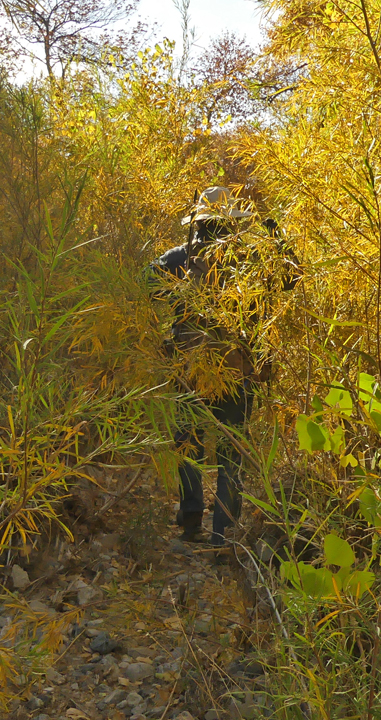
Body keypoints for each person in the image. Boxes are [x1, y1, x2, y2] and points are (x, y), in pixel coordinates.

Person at [147, 186, 300, 546]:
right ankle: (224, 535)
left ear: (198, 222)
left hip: (189, 373)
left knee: (189, 446)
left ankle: (190, 520)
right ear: (232, 224)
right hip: (237, 371)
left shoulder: (178, 258)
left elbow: (141, 287)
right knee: (232, 454)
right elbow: (293, 277)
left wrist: (160, 338)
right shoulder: (248, 260)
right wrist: (273, 233)